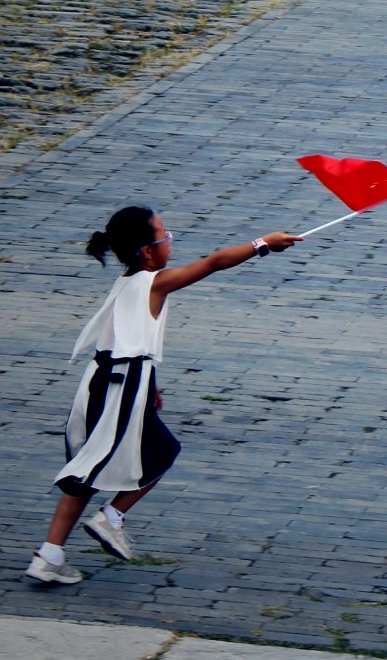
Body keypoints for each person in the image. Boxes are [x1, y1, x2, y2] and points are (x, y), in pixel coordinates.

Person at [26, 205, 302, 584]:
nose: (170, 239)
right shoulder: (154, 282)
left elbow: (125, 337)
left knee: (87, 469)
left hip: (103, 382)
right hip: (122, 386)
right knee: (158, 453)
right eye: (165, 235)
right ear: (148, 251)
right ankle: (110, 519)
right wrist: (262, 244)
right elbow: (214, 263)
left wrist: (151, 385)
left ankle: (50, 554)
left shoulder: (126, 282)